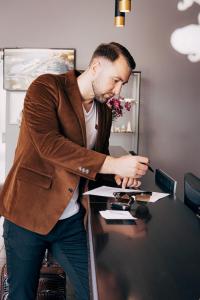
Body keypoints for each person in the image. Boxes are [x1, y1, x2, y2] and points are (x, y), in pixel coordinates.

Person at [0, 42, 148, 300]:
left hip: (69, 222)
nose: (118, 90)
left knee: (94, 291)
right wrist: (113, 164)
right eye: (115, 80)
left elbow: (94, 163)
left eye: (122, 84)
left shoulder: (104, 111)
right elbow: (50, 146)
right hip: (26, 215)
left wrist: (117, 174)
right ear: (95, 66)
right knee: (21, 295)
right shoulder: (45, 88)